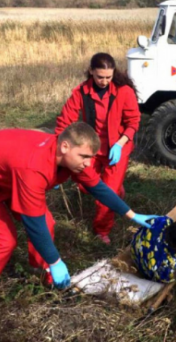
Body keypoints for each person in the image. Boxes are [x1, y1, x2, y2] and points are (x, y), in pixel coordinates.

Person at [0, 122, 159, 306]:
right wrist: (56, 261)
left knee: (47, 223)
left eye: (91, 158)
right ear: (65, 146)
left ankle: (40, 271)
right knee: (2, 239)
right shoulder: (34, 167)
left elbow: (99, 188)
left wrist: (131, 214)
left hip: (6, 170)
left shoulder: (74, 157)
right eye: (85, 157)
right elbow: (33, 223)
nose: (88, 163)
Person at [55, 52, 141, 245]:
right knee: (85, 184)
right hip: (91, 149)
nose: (104, 81)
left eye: (108, 77)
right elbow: (64, 121)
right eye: (100, 77)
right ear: (91, 72)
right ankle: (117, 191)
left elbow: (133, 122)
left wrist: (120, 144)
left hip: (117, 148)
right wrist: (56, 154)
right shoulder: (81, 92)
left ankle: (101, 230)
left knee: (105, 195)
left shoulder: (124, 92)